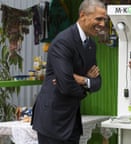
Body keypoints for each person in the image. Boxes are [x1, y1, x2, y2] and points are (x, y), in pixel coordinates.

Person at [31, 0, 107, 143]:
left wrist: (82, 79)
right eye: (99, 19)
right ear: (83, 15)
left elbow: (97, 82)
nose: (102, 24)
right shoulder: (63, 42)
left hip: (71, 121)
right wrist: (84, 86)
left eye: (104, 19)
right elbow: (66, 85)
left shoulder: (91, 44)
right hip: (53, 121)